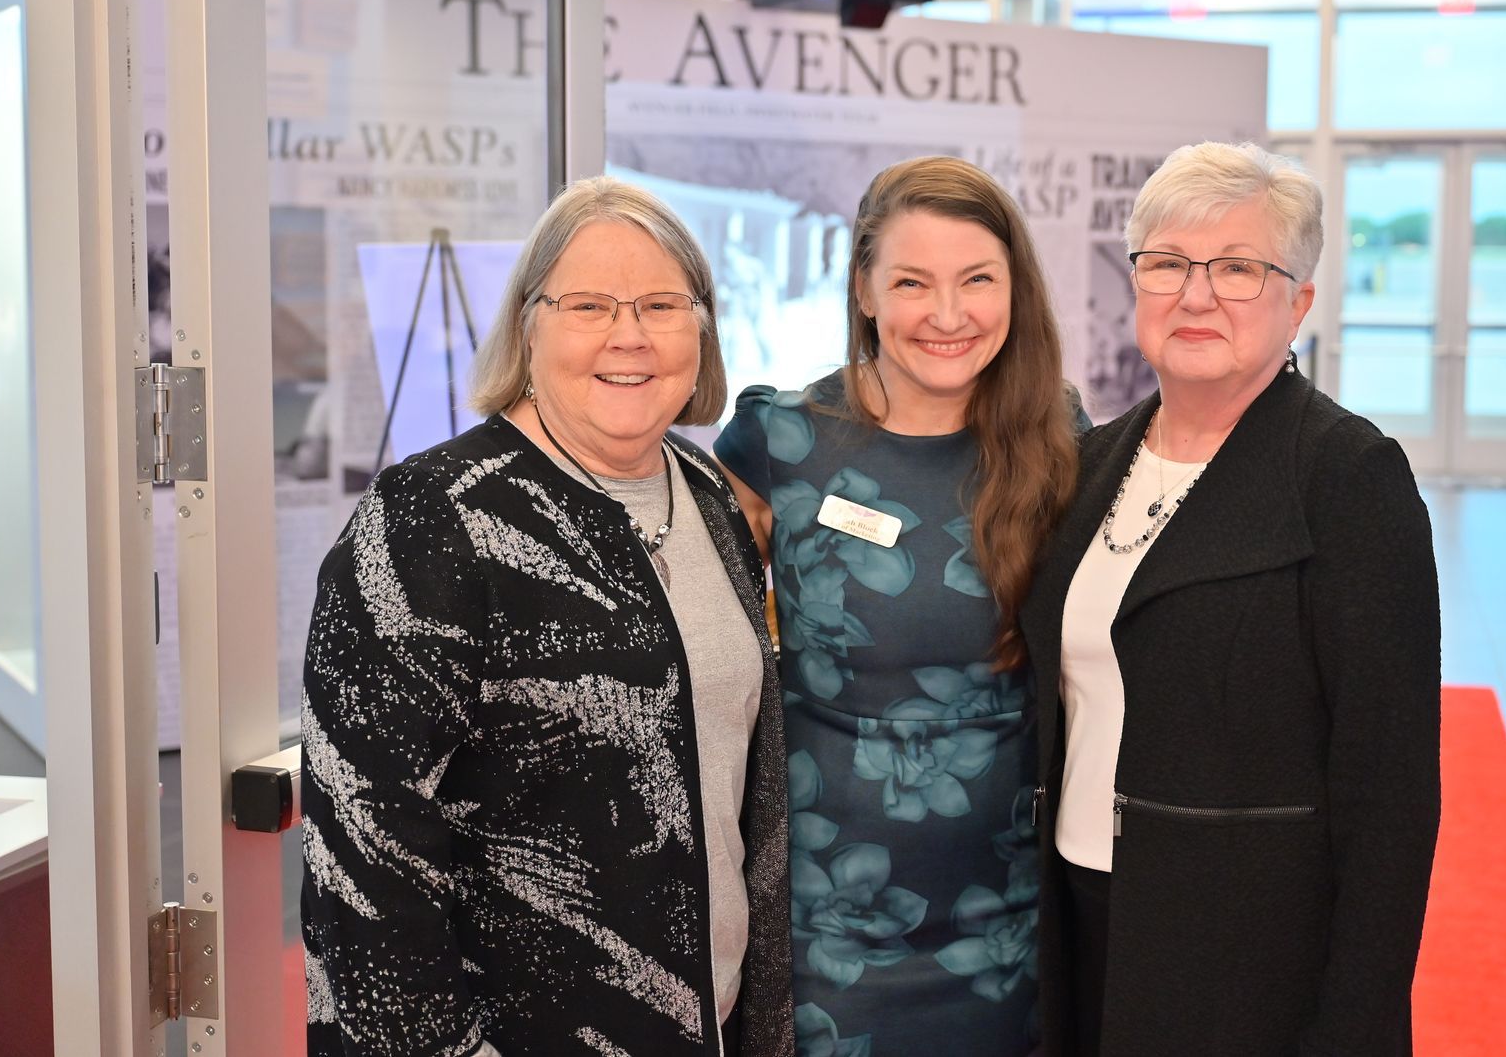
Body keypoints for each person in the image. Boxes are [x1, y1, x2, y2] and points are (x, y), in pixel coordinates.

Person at [300, 177, 794, 1057]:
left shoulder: (712, 496)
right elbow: (365, 851)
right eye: (589, 304)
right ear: (529, 324)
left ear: (703, 327)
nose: (629, 334)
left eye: (660, 304)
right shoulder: (432, 516)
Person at [1021, 142, 1441, 1056]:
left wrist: (1354, 1024)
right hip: (1080, 918)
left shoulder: (1347, 477)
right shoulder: (1090, 465)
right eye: (1167, 263)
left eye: (1239, 268)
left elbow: (1393, 798)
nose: (1196, 293)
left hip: (1248, 961)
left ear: (1300, 301)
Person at [714, 156, 1081, 1055]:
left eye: (977, 281)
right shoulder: (781, 443)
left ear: (1015, 290)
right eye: (912, 282)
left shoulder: (1058, 438)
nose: (948, 315)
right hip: (827, 933)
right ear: (866, 291)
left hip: (1015, 926)